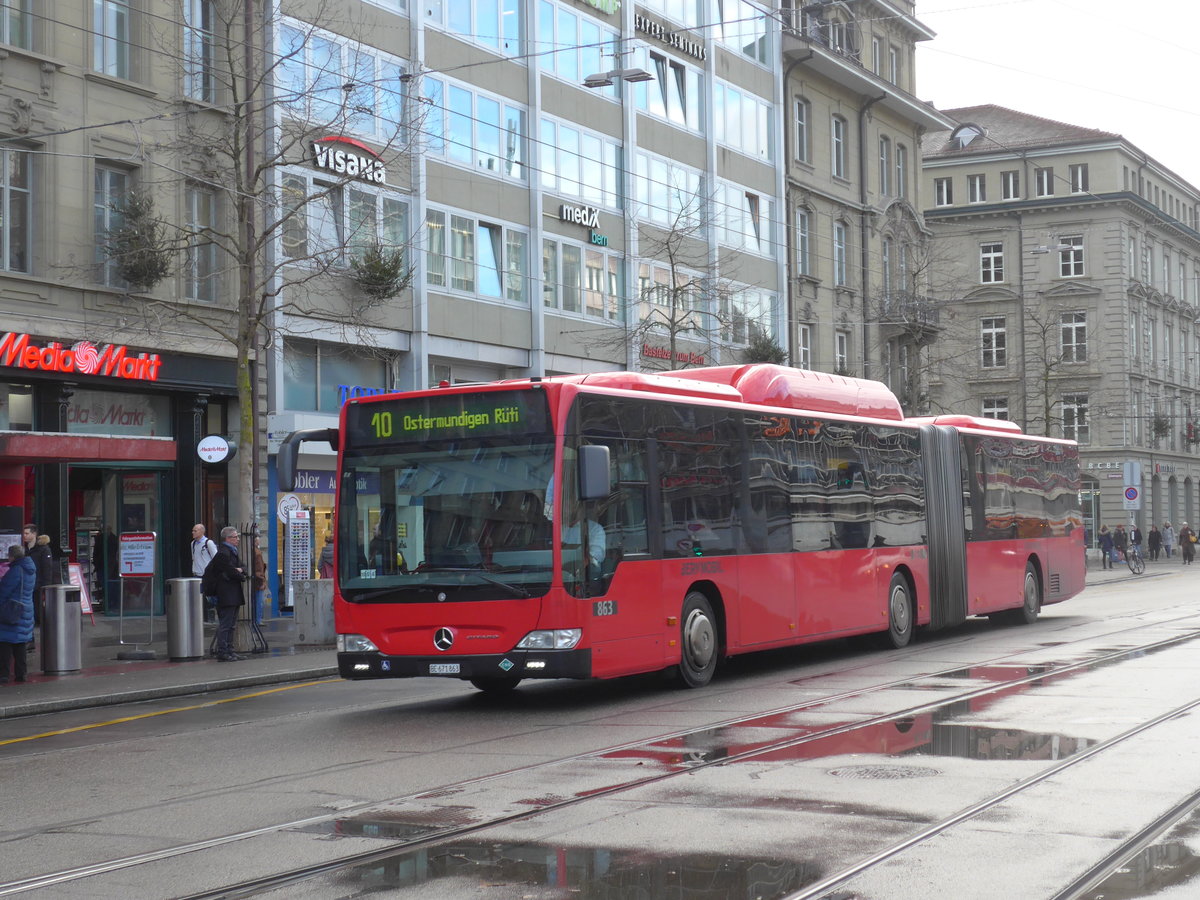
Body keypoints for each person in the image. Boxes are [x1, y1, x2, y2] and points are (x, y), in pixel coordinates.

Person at [210, 526, 249, 661]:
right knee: (226, 624)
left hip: (233, 593)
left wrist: (240, 570)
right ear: (228, 538)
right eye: (235, 537)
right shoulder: (223, 553)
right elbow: (230, 571)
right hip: (226, 593)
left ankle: (230, 650)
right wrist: (239, 572)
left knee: (232, 624)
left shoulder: (233, 551)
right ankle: (223, 651)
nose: (238, 539)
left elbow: (243, 567)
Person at [0, 545, 35, 684]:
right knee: (20, 643)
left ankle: (3, 674)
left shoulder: (15, 570)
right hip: (25, 609)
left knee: (5, 643)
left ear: (12, 556)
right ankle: (21, 674)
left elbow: (4, 591)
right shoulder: (30, 569)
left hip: (12, 610)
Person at [191, 524, 219, 623]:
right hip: (196, 574)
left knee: (211, 597)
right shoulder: (193, 543)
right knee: (199, 597)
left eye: (195, 531)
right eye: (193, 531)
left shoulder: (208, 543)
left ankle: (217, 612)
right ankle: (202, 617)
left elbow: (216, 558)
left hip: (207, 575)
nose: (193, 532)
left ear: (202, 531)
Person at [251, 536, 267, 626]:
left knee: (256, 601)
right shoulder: (257, 553)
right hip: (258, 579)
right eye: (258, 541)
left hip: (256, 578)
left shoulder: (255, 551)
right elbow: (259, 567)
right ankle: (258, 619)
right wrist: (262, 579)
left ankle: (256, 619)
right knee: (258, 601)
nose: (259, 542)